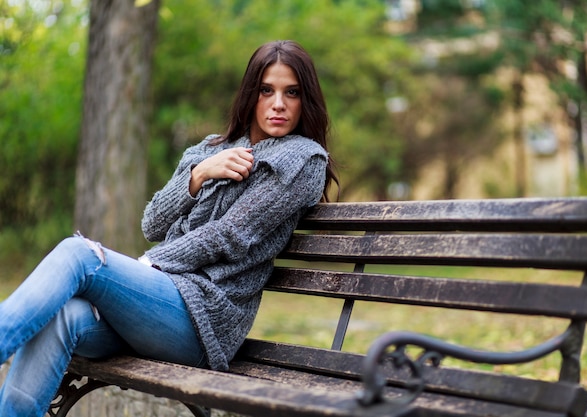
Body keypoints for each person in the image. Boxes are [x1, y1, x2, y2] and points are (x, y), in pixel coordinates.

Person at [0, 39, 338, 417]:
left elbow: (229, 235)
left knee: (80, 255)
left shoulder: (302, 161)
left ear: (304, 99)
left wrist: (149, 264)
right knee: (63, 317)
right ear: (250, 95)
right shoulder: (210, 149)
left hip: (204, 320)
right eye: (266, 90)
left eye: (291, 92)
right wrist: (198, 176)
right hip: (160, 306)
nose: (278, 104)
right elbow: (153, 221)